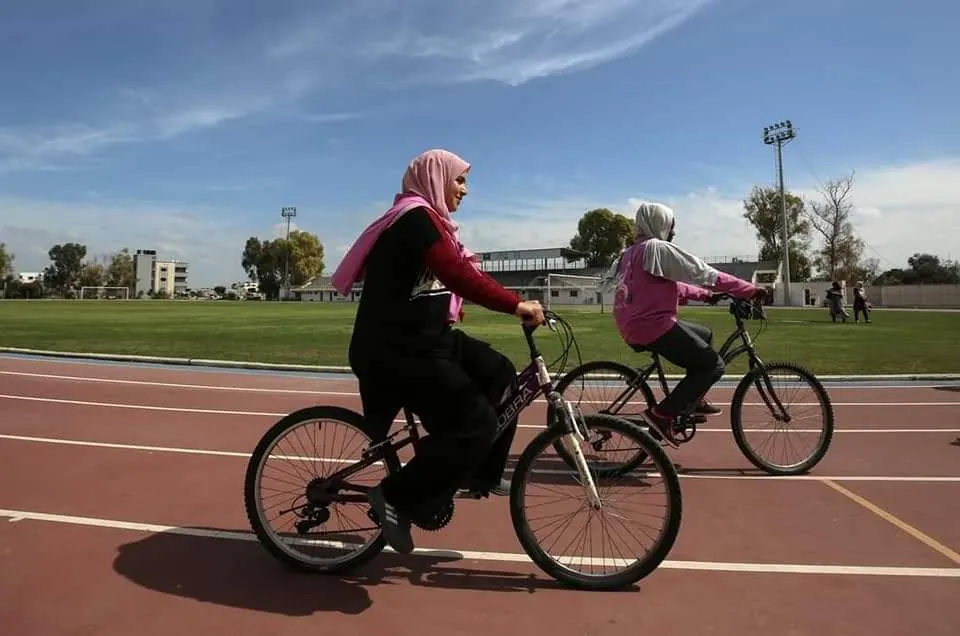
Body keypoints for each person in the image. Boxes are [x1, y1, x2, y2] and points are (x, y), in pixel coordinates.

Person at [331, 148, 545, 554]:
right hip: (394, 348)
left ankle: (476, 471)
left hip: (426, 339)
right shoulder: (414, 219)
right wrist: (515, 304)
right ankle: (394, 496)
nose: (464, 190)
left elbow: (459, 273)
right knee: (475, 423)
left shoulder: (433, 223)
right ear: (435, 177)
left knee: (501, 374)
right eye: (459, 180)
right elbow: (456, 273)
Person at [604, 201, 767, 446]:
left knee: (705, 335)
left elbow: (671, 287)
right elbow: (704, 273)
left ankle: (693, 398)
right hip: (652, 325)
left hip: (635, 324)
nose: (673, 231)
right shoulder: (657, 248)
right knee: (713, 366)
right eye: (671, 225)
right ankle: (660, 416)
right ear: (659, 223)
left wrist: (707, 296)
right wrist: (748, 290)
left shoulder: (630, 253)